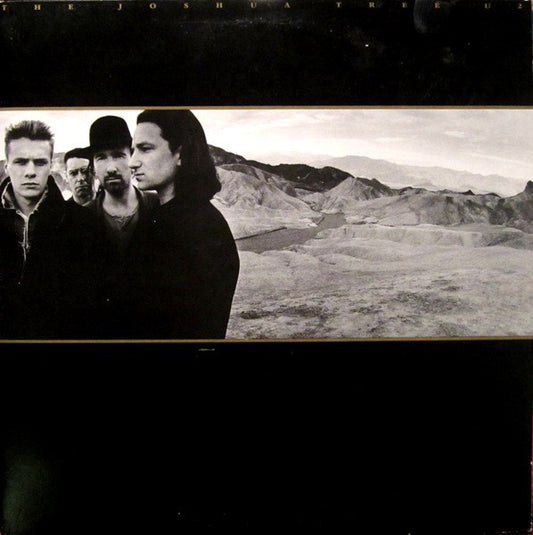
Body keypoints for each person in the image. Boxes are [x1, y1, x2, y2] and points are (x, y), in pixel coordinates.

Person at [129, 109, 239, 339]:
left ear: (180, 154)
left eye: (145, 149)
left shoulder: (203, 229)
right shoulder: (162, 218)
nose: (132, 162)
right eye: (132, 150)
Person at [0, 119, 98, 339]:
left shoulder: (83, 223)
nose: (30, 172)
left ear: (50, 167)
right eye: (20, 162)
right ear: (7, 166)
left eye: (40, 162)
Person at [86, 115, 158, 338]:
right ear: (93, 166)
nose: (111, 168)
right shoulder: (80, 219)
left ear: (132, 157)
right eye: (101, 157)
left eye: (118, 155)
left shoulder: (159, 208)